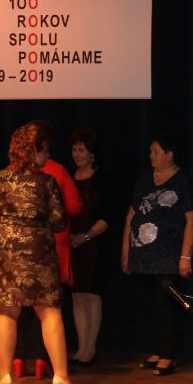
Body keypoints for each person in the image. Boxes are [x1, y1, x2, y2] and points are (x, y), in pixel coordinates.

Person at [0, 123, 81, 384]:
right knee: (49, 311)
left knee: (6, 311)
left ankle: (4, 377)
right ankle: (61, 377)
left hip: (4, 249)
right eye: (45, 150)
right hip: (38, 249)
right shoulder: (47, 182)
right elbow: (60, 222)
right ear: (34, 151)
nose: (47, 156)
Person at [121, 132, 193, 376]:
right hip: (142, 255)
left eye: (155, 152)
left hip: (168, 255)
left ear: (169, 154)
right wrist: (125, 252)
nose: (150, 156)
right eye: (150, 152)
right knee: (149, 304)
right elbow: (131, 216)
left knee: (165, 304)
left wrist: (185, 256)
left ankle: (168, 354)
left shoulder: (182, 180)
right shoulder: (144, 179)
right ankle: (155, 350)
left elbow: (192, 219)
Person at [68, 128, 109, 364]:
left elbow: (108, 215)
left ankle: (90, 347)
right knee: (77, 296)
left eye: (81, 150)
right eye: (74, 149)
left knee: (92, 295)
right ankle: (81, 346)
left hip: (94, 244)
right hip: (72, 244)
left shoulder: (102, 178)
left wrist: (87, 236)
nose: (77, 154)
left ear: (92, 153)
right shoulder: (69, 177)